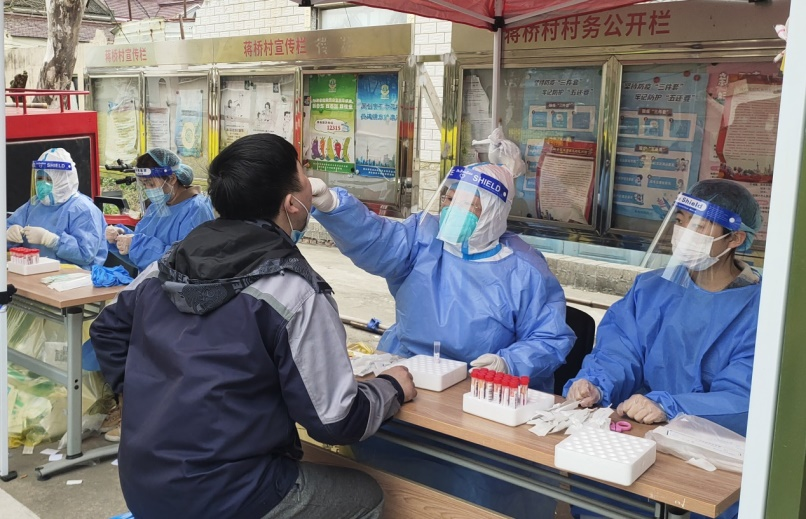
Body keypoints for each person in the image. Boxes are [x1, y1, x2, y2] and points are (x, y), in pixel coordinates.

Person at [89, 133, 416, 519]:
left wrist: (148, 395)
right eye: (304, 175)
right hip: (224, 495)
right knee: (367, 494)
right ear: (292, 204)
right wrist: (391, 387)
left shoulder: (169, 263)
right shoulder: (293, 291)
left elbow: (107, 330)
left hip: (143, 481)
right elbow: (337, 421)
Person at [309, 160, 576, 518]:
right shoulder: (423, 238)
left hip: (477, 397)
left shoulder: (524, 268)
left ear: (493, 211)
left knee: (468, 496)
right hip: (409, 380)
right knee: (386, 480)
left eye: (467, 202)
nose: (452, 207)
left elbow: (550, 336)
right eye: (449, 197)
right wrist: (333, 205)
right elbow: (376, 238)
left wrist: (508, 363)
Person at [565, 179, 762, 519]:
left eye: (699, 226)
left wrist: (670, 406)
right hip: (634, 441)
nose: (684, 234)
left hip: (709, 461)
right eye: (681, 221)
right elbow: (619, 349)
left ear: (735, 239)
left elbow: (745, 397)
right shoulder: (651, 288)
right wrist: (595, 384)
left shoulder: (761, 309)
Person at [105, 148, 215, 273]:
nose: (148, 189)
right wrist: (121, 238)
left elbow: (183, 262)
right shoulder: (156, 207)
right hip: (151, 282)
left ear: (172, 179)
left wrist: (136, 245)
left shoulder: (196, 209)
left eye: (151, 184)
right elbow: (142, 258)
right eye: (144, 184)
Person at [7, 148, 106, 269]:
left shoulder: (83, 210)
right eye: (39, 179)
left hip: (73, 277)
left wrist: (52, 240)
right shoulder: (34, 204)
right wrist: (8, 234)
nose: (41, 185)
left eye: (48, 179)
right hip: (33, 273)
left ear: (62, 179)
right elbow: (8, 227)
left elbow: (86, 254)